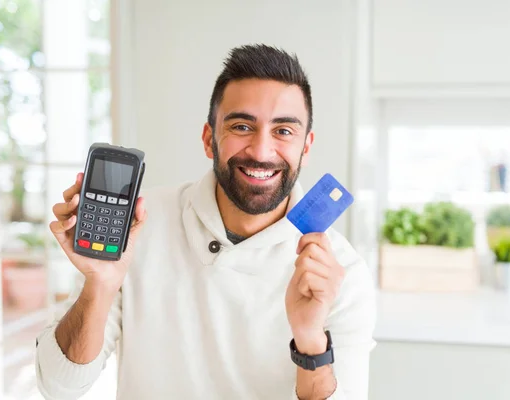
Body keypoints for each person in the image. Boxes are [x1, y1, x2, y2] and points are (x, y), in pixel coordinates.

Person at [35, 44, 376, 400]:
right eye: (242, 126)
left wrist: (310, 343)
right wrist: (100, 284)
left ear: (306, 146)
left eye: (283, 131)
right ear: (209, 139)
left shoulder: (340, 272)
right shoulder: (138, 226)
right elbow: (59, 388)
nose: (261, 151)